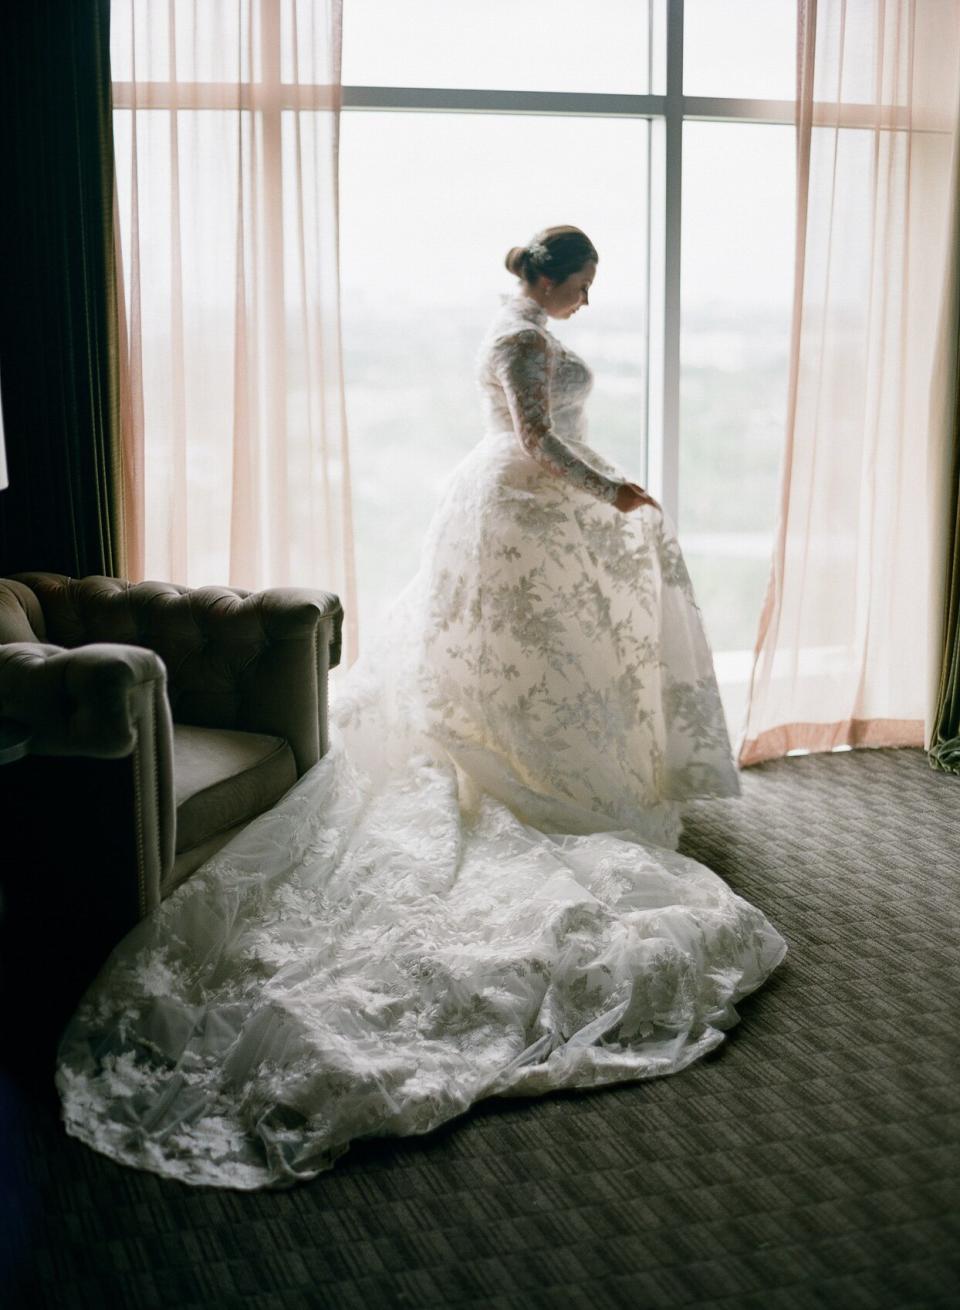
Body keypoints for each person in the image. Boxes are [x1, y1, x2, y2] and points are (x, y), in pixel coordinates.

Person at [56, 226, 786, 1190]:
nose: (588, 301)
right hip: (520, 505)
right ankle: (504, 773)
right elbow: (536, 440)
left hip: (520, 510)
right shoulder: (523, 339)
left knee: (537, 659)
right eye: (584, 285)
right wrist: (615, 490)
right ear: (551, 276)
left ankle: (526, 760)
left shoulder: (519, 323)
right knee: (513, 655)